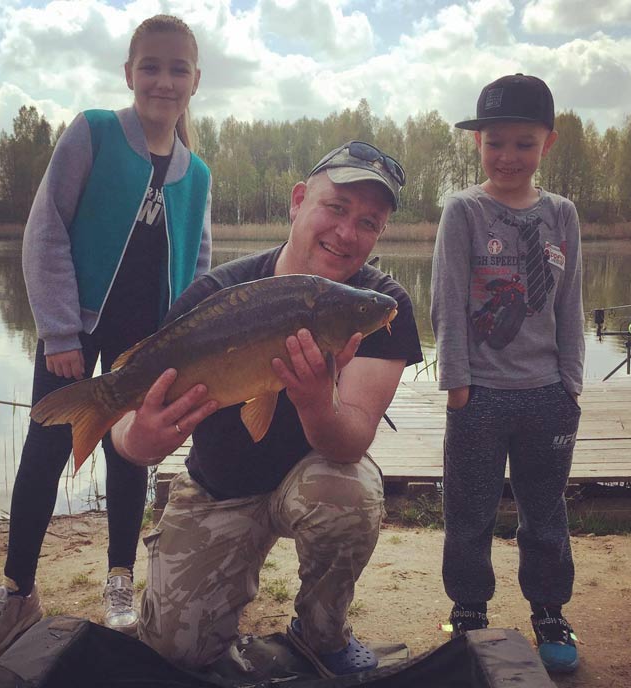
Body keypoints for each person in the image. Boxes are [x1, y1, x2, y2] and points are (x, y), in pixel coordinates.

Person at [111, 141, 423, 678]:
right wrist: (139, 440)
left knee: (350, 493)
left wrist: (314, 403)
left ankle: (320, 631)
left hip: (315, 479)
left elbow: (351, 440)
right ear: (298, 201)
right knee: (175, 653)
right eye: (336, 207)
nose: (347, 232)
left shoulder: (375, 307)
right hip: (220, 484)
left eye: (368, 223)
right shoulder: (219, 291)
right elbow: (126, 415)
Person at [0, 14, 212, 658]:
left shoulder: (197, 174)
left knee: (129, 457)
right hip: (74, 331)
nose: (163, 81)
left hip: (150, 341)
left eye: (177, 69)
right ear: (129, 73)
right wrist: (59, 331)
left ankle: (120, 582)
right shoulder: (94, 133)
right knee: (44, 452)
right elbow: (45, 230)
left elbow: (200, 267)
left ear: (195, 81)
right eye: (150, 67)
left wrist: (187, 346)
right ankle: (17, 591)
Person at [430, 74, 584, 673]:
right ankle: (469, 609)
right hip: (480, 396)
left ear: (548, 142)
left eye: (524, 143)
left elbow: (570, 305)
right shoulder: (464, 211)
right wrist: (457, 385)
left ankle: (549, 610)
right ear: (478, 143)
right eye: (495, 142)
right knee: (468, 511)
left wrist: (571, 383)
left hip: (548, 395)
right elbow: (447, 301)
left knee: (545, 513)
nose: (508, 156)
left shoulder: (562, 215)